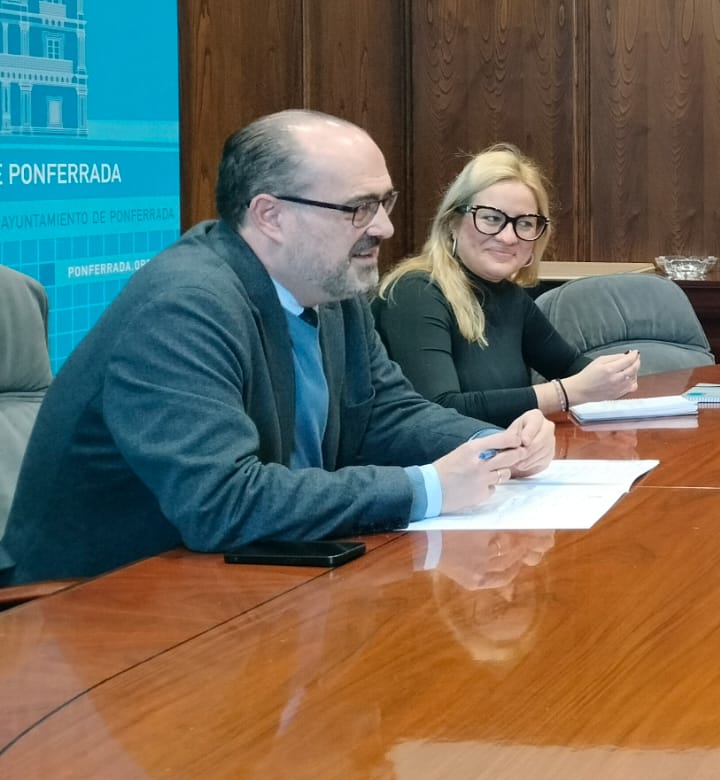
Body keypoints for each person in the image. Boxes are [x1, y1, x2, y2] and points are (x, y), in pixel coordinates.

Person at [0, 111, 551, 587]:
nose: (384, 227)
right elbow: (223, 502)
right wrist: (426, 487)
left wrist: (490, 444)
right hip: (102, 608)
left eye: (385, 202)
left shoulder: (332, 288)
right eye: (359, 208)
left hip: (253, 579)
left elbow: (384, 412)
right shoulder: (183, 308)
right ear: (271, 215)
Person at [375, 144, 639, 425]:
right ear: (452, 222)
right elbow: (439, 410)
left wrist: (617, 374)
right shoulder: (415, 292)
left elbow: (572, 368)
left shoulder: (511, 297)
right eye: (491, 218)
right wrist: (563, 393)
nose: (508, 237)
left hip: (505, 450)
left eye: (524, 223)